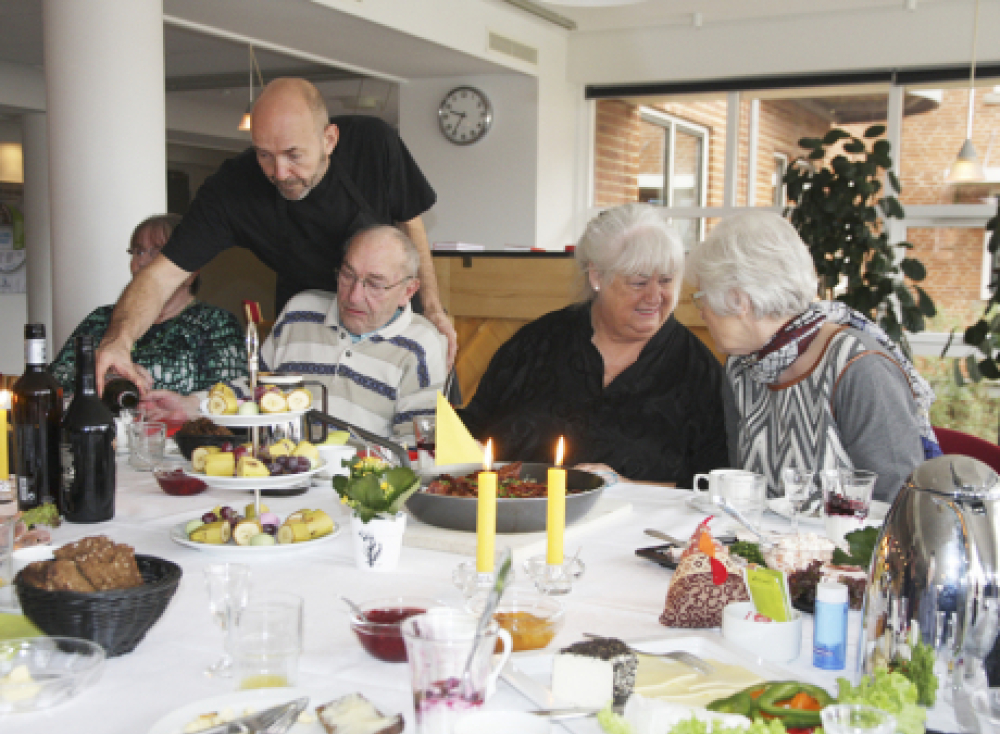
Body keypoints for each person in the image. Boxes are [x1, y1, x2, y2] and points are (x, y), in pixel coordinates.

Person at [95, 77, 456, 394]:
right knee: (297, 423)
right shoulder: (231, 190)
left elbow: (411, 223)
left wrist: (433, 309)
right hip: (307, 327)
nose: (280, 173)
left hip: (389, 316)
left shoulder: (372, 144)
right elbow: (161, 275)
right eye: (264, 155)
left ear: (329, 140)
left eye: (293, 155)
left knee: (422, 429)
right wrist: (118, 340)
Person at [457, 204, 728, 487]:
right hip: (518, 510)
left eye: (666, 281)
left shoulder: (698, 372)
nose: (654, 297)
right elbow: (475, 427)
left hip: (639, 516)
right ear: (596, 276)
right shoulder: (536, 343)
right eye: (638, 283)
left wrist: (627, 487)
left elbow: (711, 483)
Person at [687, 211, 937, 502]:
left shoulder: (860, 368)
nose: (701, 312)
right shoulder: (742, 366)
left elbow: (898, 503)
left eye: (702, 298)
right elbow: (739, 487)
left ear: (739, 300)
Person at [143, 225, 447, 438]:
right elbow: (257, 389)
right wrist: (192, 405)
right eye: (347, 275)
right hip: (280, 473)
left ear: (408, 291)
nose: (354, 296)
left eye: (375, 284)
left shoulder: (421, 343)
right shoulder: (300, 312)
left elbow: (417, 445)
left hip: (359, 488)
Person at [49, 213, 245, 395]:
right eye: (138, 251)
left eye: (157, 253)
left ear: (191, 272)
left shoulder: (215, 323)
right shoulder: (101, 318)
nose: (141, 261)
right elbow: (55, 379)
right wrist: (109, 375)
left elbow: (228, 394)